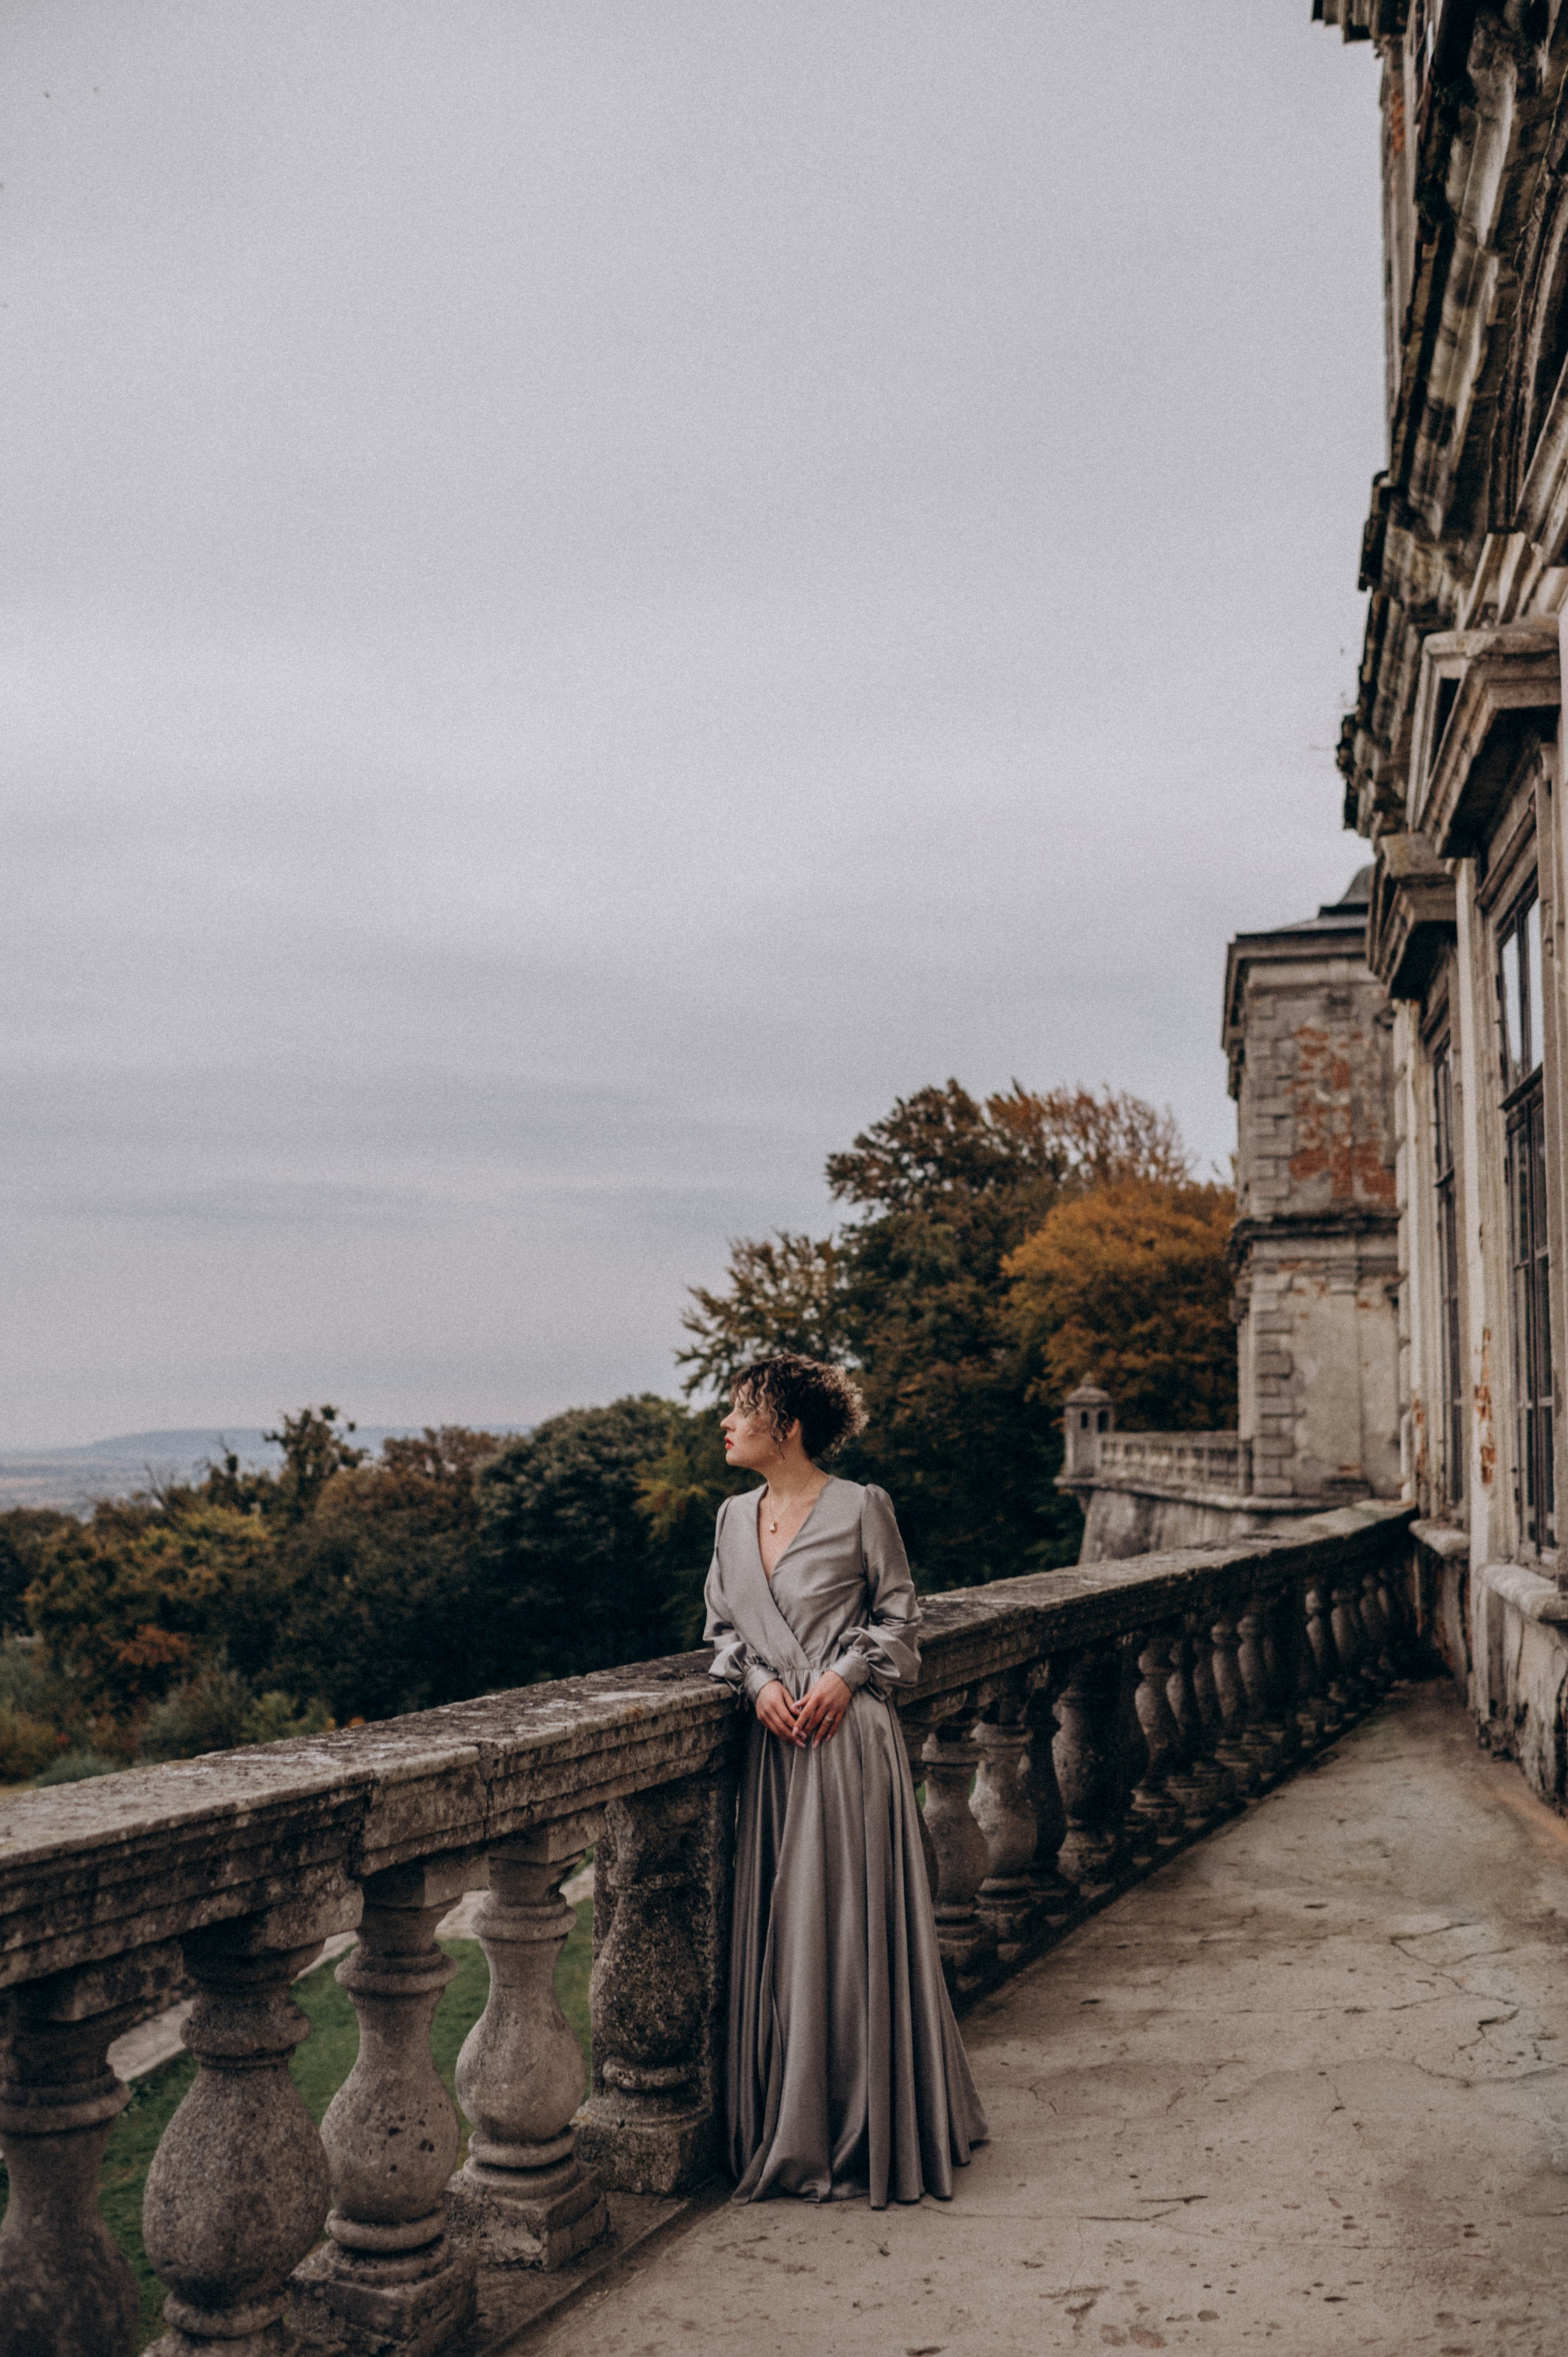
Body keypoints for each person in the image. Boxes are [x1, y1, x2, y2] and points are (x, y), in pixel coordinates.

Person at [702, 1351, 988, 2207]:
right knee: (790, 1935)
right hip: (775, 1754)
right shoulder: (728, 1518)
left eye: (739, 1410)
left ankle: (870, 2126)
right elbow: (720, 1631)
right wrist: (756, 1686)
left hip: (847, 1742)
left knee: (852, 1932)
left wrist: (843, 1678)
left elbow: (903, 1619)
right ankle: (794, 2127)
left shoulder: (864, 1507)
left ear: (785, 1426)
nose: (724, 1423)